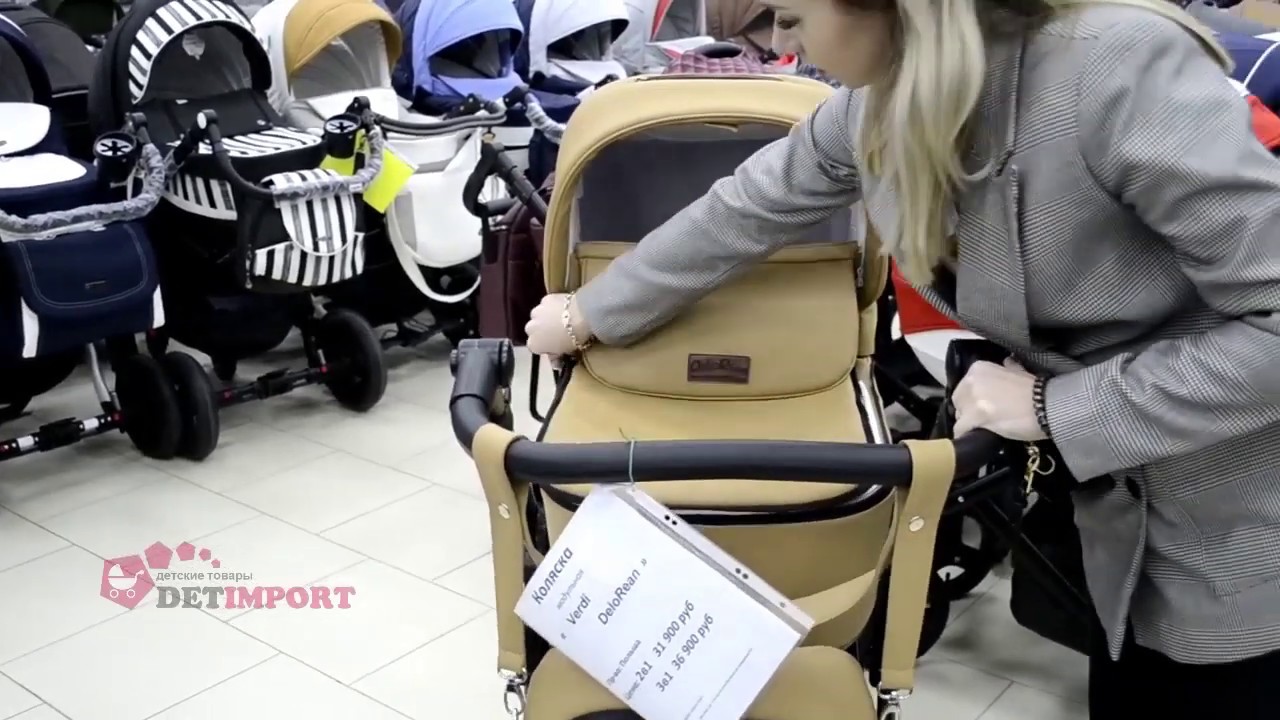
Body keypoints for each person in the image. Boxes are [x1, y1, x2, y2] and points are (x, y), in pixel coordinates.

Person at [525, 0, 1280, 716]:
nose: (785, 45)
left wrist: (1056, 408)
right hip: (1121, 514)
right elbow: (748, 205)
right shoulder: (883, 104)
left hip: (1237, 516)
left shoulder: (1117, 70)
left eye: (792, 18)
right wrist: (588, 309)